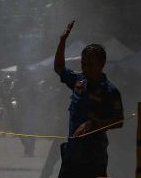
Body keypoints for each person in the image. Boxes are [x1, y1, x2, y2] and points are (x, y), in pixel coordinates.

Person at [52, 21, 124, 178]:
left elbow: (119, 121)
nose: (86, 68)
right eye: (83, 64)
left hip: (94, 158)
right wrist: (62, 41)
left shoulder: (110, 91)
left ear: (102, 64)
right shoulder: (79, 81)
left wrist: (94, 124)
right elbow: (59, 68)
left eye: (90, 65)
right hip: (72, 155)